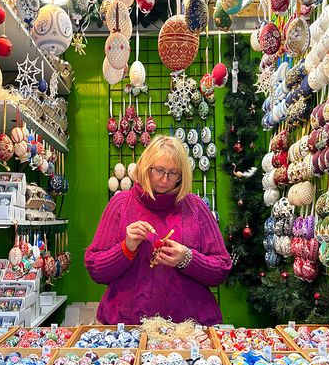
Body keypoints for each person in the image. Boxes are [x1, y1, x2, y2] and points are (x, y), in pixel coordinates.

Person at [84, 135, 232, 326]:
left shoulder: (196, 207)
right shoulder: (121, 205)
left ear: (182, 174)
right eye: (159, 171)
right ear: (146, 167)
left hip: (188, 330)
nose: (165, 179)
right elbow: (96, 269)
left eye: (173, 173)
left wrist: (187, 258)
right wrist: (126, 248)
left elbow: (221, 268)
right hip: (127, 328)